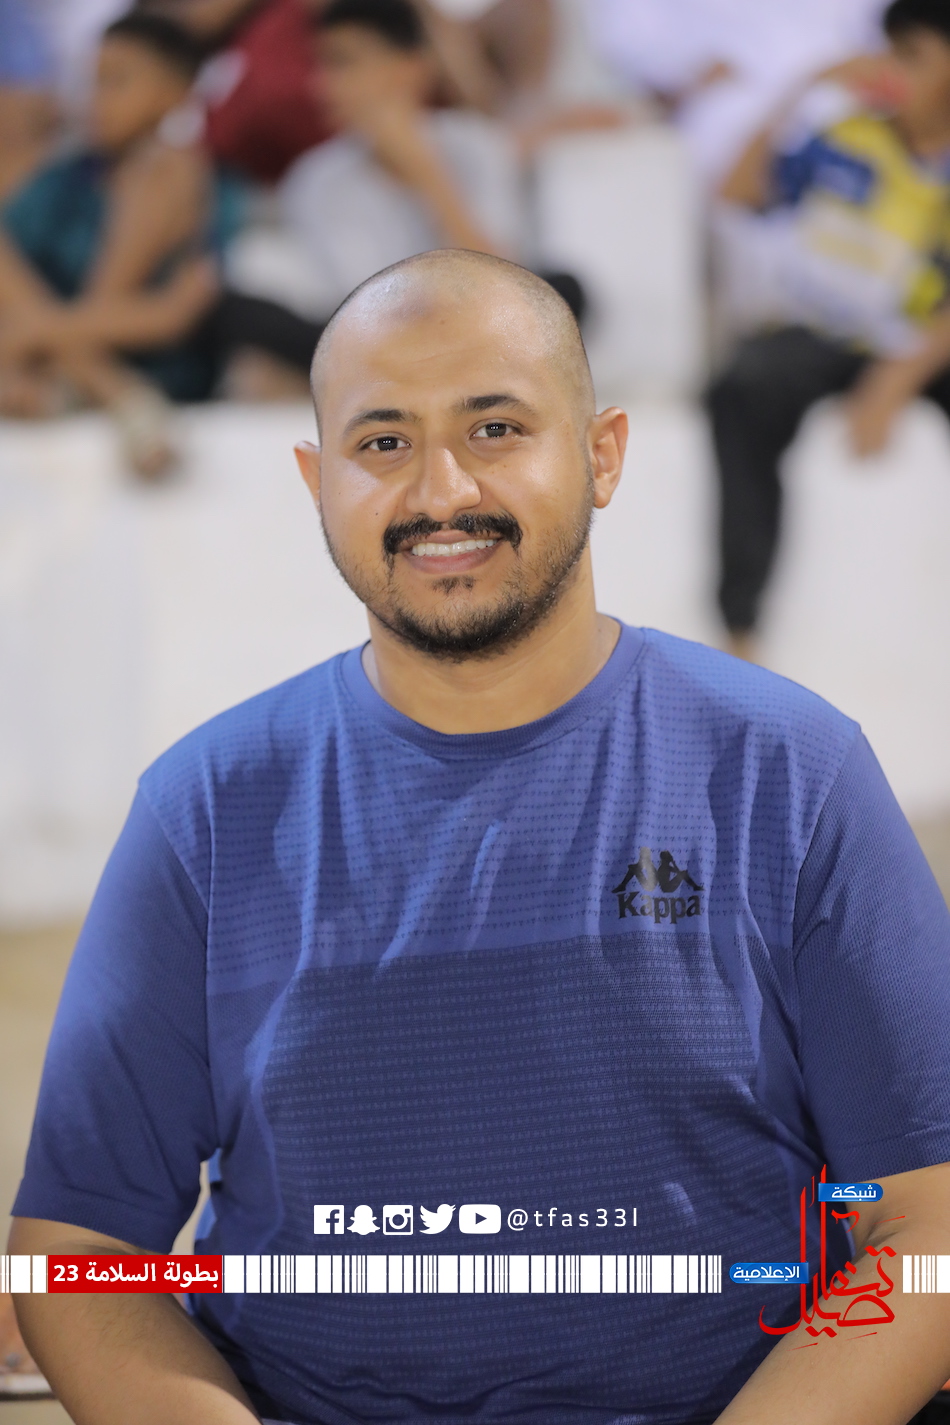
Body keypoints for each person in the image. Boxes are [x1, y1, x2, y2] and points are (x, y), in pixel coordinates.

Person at [9, 247, 950, 1424]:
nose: (439, 492)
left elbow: (924, 1226)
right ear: (315, 480)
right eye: (381, 442)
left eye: (494, 429)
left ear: (601, 455)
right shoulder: (204, 808)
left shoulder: (789, 774)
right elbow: (79, 1252)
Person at [708, 0, 950, 658]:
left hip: (922, 344)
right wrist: (802, 90)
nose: (892, 70)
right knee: (741, 389)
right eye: (890, 51)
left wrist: (896, 379)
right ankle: (741, 628)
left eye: (914, 57)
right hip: (818, 334)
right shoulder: (847, 134)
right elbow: (737, 191)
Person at [0, 13, 241, 475]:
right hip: (74, 359)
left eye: (116, 82)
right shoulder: (63, 180)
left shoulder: (192, 180)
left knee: (162, 169)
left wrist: (25, 336)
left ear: (177, 92)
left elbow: (176, 318)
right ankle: (113, 391)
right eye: (92, 83)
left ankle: (85, 384)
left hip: (157, 367)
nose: (96, 99)